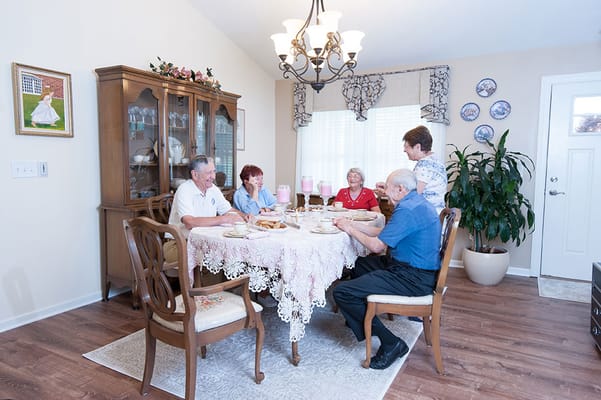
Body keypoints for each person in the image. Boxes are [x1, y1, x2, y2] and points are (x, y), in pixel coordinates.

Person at [333, 169, 441, 370]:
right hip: (411, 268)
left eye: (388, 189)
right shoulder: (416, 203)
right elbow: (385, 233)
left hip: (413, 277)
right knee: (358, 264)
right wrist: (353, 224)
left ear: (401, 189)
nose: (385, 194)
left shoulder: (407, 210)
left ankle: (392, 343)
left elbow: (376, 246)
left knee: (342, 292)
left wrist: (350, 229)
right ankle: (361, 316)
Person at [164, 155, 246, 263]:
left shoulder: (213, 189)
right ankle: (215, 280)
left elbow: (228, 210)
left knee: (231, 253)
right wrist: (224, 219)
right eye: (209, 173)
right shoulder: (184, 189)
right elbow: (189, 222)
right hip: (179, 244)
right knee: (217, 256)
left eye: (214, 172)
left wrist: (245, 216)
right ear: (195, 174)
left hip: (204, 241)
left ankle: (231, 280)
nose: (213, 177)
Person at [376, 125, 447, 213]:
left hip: (427, 217)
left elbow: (411, 197)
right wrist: (389, 187)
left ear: (417, 147)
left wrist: (388, 191)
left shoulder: (425, 165)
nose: (404, 150)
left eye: (406, 146)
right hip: (436, 214)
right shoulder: (435, 160)